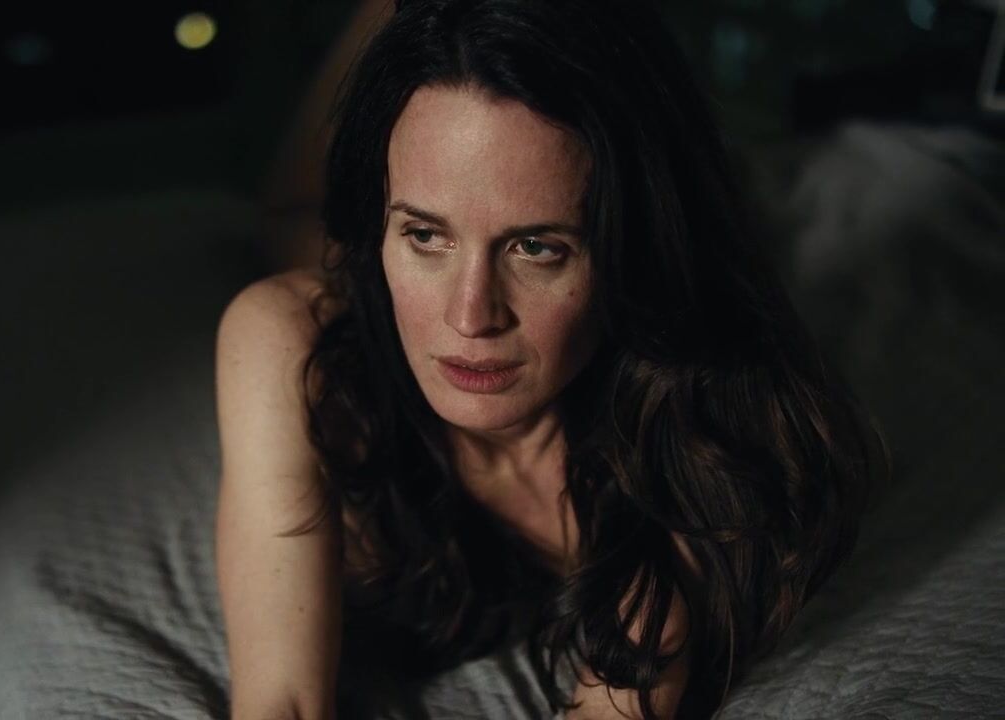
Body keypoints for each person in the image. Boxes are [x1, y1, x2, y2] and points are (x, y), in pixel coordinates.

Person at [215, 1, 887, 718]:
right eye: (424, 235)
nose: (470, 316)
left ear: (630, 250)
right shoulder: (295, 338)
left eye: (536, 247)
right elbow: (280, 699)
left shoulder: (697, 472)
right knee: (291, 220)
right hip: (346, 283)